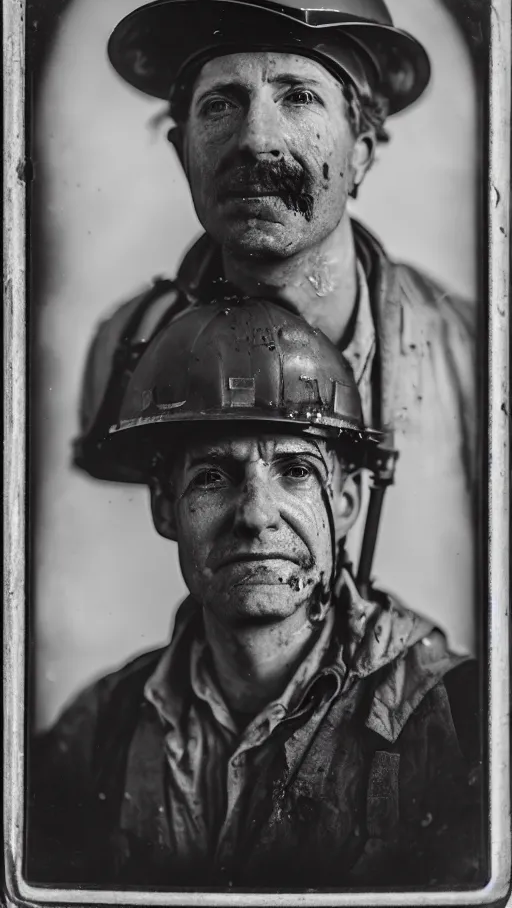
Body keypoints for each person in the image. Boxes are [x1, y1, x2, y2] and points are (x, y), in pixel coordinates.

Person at [73, 0, 476, 623]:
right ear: (182, 153)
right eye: (222, 103)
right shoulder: (129, 346)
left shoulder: (474, 353)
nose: (257, 139)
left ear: (362, 155)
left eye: (299, 96)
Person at [28, 301, 483, 889]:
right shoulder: (97, 732)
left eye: (295, 470)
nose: (255, 516)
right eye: (213, 476)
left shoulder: (462, 720)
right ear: (166, 507)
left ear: (346, 504)